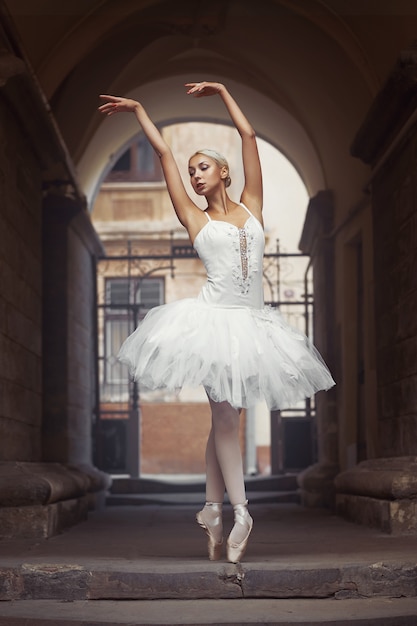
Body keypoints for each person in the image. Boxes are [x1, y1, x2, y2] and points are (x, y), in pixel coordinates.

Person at [98, 81, 335, 563]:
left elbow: (249, 137)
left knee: (226, 419)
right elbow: (164, 154)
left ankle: (211, 508)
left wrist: (225, 91)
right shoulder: (194, 218)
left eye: (203, 167)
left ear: (224, 172)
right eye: (192, 172)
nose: (196, 176)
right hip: (210, 325)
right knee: (226, 418)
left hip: (253, 326)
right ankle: (242, 511)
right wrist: (141, 111)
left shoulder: (253, 205)